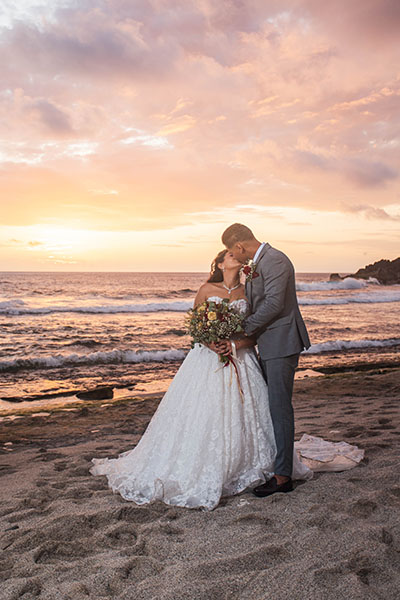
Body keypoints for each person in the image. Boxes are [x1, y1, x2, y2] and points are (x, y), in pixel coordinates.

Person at [89, 249, 312, 510]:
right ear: (219, 264)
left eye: (235, 253)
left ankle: (258, 465)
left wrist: (234, 344)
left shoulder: (247, 292)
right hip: (207, 359)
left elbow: (255, 332)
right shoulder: (207, 289)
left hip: (242, 358)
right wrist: (212, 345)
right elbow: (195, 329)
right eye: (228, 255)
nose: (234, 257)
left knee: (251, 412)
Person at [221, 223, 311, 497]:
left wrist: (243, 329)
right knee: (269, 407)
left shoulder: (276, 260)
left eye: (231, 251)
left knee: (280, 409)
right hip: (268, 343)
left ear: (239, 246)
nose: (236, 257)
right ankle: (277, 466)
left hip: (282, 343)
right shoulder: (260, 263)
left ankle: (283, 477)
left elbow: (274, 304)